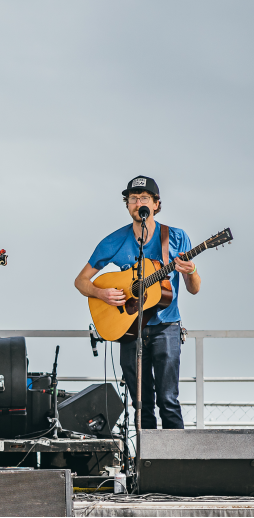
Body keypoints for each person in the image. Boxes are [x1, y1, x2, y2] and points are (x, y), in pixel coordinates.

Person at [74, 176, 200, 429]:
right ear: (127, 205)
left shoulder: (175, 237)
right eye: (133, 199)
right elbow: (81, 281)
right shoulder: (114, 240)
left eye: (144, 198)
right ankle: (146, 465)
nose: (138, 203)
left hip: (167, 327)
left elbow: (193, 288)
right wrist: (102, 294)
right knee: (141, 404)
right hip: (130, 328)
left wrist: (191, 270)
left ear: (155, 204)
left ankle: (175, 464)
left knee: (168, 400)